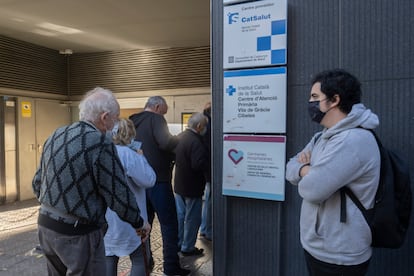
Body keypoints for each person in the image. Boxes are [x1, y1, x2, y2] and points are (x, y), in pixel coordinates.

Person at [32, 87, 150, 276]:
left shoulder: (56, 134)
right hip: (78, 234)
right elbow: (118, 194)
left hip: (46, 225)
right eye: (116, 117)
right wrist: (139, 223)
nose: (116, 123)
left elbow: (37, 183)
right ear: (104, 117)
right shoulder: (100, 143)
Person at [285, 69, 381, 276]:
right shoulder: (322, 137)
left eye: (315, 97)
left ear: (335, 100)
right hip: (319, 245)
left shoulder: (353, 141)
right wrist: (306, 169)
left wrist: (308, 172)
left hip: (340, 254)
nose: (310, 103)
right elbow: (290, 167)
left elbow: (312, 190)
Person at [129, 96, 190, 276]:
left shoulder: (132, 120)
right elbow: (165, 142)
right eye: (164, 111)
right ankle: (171, 267)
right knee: (169, 224)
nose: (164, 114)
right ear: (157, 107)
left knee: (144, 225)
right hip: (158, 181)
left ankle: (145, 262)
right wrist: (178, 139)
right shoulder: (156, 119)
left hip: (138, 183)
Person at [104, 118, 156, 276]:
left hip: (107, 217)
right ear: (129, 134)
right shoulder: (129, 154)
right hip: (131, 217)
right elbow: (149, 180)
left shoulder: (103, 152)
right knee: (139, 258)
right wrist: (141, 157)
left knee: (108, 258)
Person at [174, 112, 209, 256]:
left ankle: (178, 242)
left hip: (179, 184)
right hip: (193, 186)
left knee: (180, 216)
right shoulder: (196, 141)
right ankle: (188, 247)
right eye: (205, 126)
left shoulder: (179, 137)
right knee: (192, 218)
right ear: (199, 126)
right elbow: (198, 164)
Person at [199, 102, 212, 241]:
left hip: (206, 171)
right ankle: (206, 229)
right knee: (209, 200)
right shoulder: (209, 124)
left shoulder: (204, 124)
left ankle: (205, 229)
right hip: (209, 170)